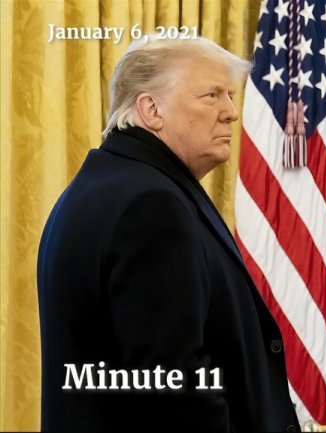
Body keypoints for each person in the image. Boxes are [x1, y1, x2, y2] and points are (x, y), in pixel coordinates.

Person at [37, 36, 299, 432]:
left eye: (229, 95)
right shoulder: (151, 204)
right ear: (151, 109)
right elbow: (174, 389)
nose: (231, 112)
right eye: (211, 95)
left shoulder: (105, 186)